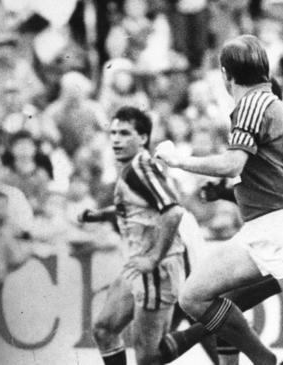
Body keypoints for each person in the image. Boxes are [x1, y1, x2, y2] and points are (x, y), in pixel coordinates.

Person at [154, 34, 283, 364]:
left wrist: (180, 161)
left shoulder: (250, 105)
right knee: (194, 296)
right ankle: (265, 360)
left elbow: (231, 163)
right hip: (265, 228)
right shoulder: (277, 106)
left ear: (226, 74)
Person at [78, 106, 187, 365]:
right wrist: (100, 215)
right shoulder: (132, 168)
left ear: (143, 139)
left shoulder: (141, 167)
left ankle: (211, 327)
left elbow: (173, 211)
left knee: (148, 358)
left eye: (125, 133)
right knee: (104, 330)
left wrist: (153, 258)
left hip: (155, 269)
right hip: (139, 266)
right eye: (113, 133)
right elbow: (137, 208)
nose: (116, 139)